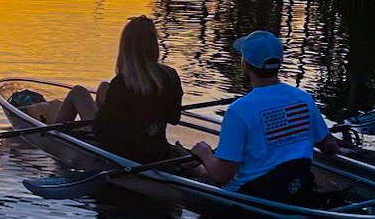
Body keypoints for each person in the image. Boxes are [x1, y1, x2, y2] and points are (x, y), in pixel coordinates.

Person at [191, 31, 341, 205]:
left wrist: (204, 153)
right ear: (279, 62)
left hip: (250, 198)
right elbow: (328, 145)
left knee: (200, 170)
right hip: (296, 189)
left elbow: (222, 176)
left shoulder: (238, 111)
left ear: (245, 65)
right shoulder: (304, 99)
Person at [54, 15, 184, 162]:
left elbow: (101, 130)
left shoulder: (123, 82)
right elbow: (174, 118)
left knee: (78, 92)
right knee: (104, 87)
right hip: (155, 148)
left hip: (122, 151)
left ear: (126, 47)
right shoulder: (170, 75)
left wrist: (86, 127)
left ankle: (51, 139)